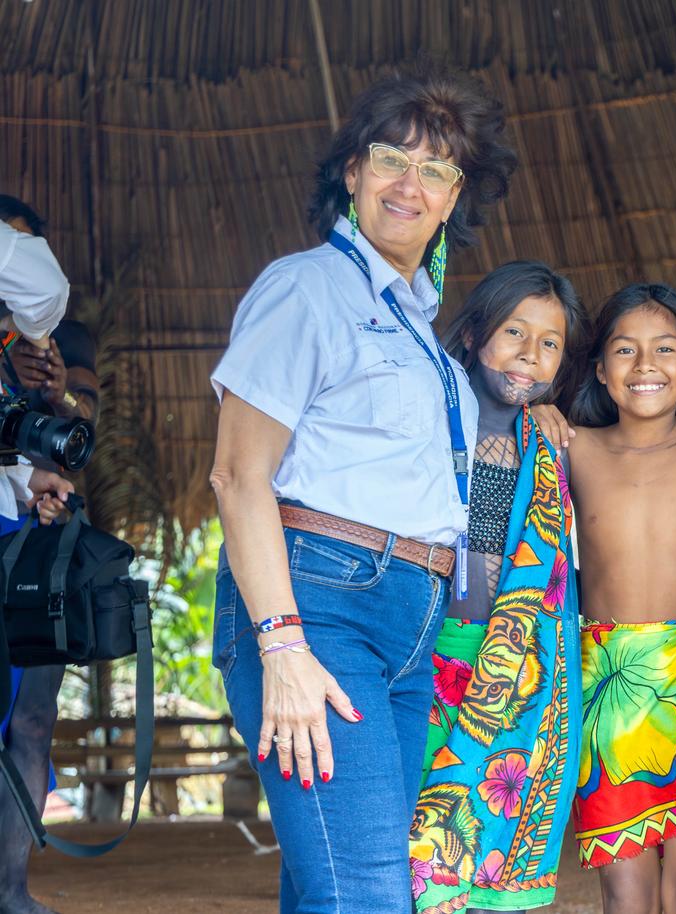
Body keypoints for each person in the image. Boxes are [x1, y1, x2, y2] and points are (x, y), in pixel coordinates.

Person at [209, 58, 516, 912]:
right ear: (352, 172)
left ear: (454, 198)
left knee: (335, 884)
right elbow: (238, 476)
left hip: (410, 621)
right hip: (322, 604)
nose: (410, 185)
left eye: (435, 170)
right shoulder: (306, 288)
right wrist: (282, 646)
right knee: (370, 894)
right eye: (391, 159)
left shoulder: (420, 330)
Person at [408, 261, 588, 914]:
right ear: (474, 332)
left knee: (483, 842)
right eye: (514, 332)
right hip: (421, 660)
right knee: (408, 842)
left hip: (517, 679)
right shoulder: (423, 423)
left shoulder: (552, 444)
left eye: (550, 343)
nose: (530, 354)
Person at [567, 284, 676, 913]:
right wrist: (542, 415)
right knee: (625, 892)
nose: (645, 365)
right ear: (600, 370)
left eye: (665, 348)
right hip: (602, 684)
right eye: (625, 350)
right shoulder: (572, 447)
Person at [0, 196, 87, 914]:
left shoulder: (41, 345)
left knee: (30, 720)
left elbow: (82, 422)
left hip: (23, 542)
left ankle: (11, 890)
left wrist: (31, 479)